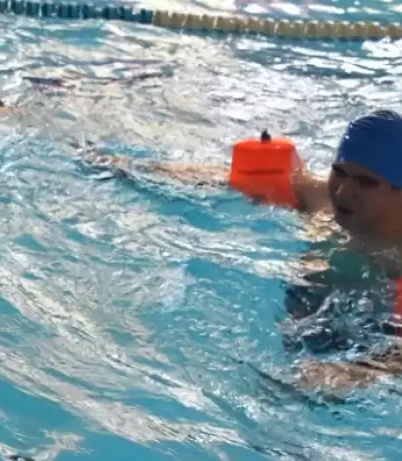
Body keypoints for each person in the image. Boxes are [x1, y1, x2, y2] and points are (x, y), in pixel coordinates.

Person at [83, 111, 402, 391]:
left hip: (374, 332)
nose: (344, 191)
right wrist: (129, 167)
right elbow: (225, 177)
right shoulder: (319, 198)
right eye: (340, 172)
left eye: (366, 183)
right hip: (300, 317)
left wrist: (358, 372)